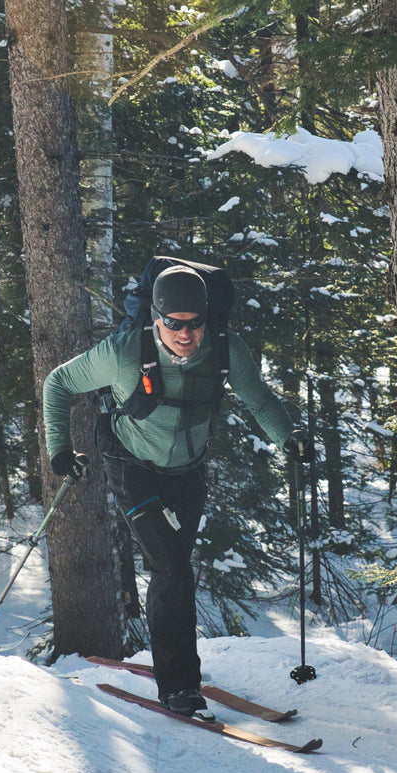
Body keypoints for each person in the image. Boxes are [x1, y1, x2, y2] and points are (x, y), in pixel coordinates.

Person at [42, 264, 313, 717]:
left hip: (188, 471)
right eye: (174, 323)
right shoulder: (125, 351)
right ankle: (180, 685)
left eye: (194, 323)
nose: (185, 334)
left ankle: (175, 664)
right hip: (132, 467)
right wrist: (60, 449)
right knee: (171, 570)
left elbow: (260, 400)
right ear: (156, 317)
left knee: (176, 568)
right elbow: (60, 382)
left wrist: (288, 437)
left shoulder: (227, 350)